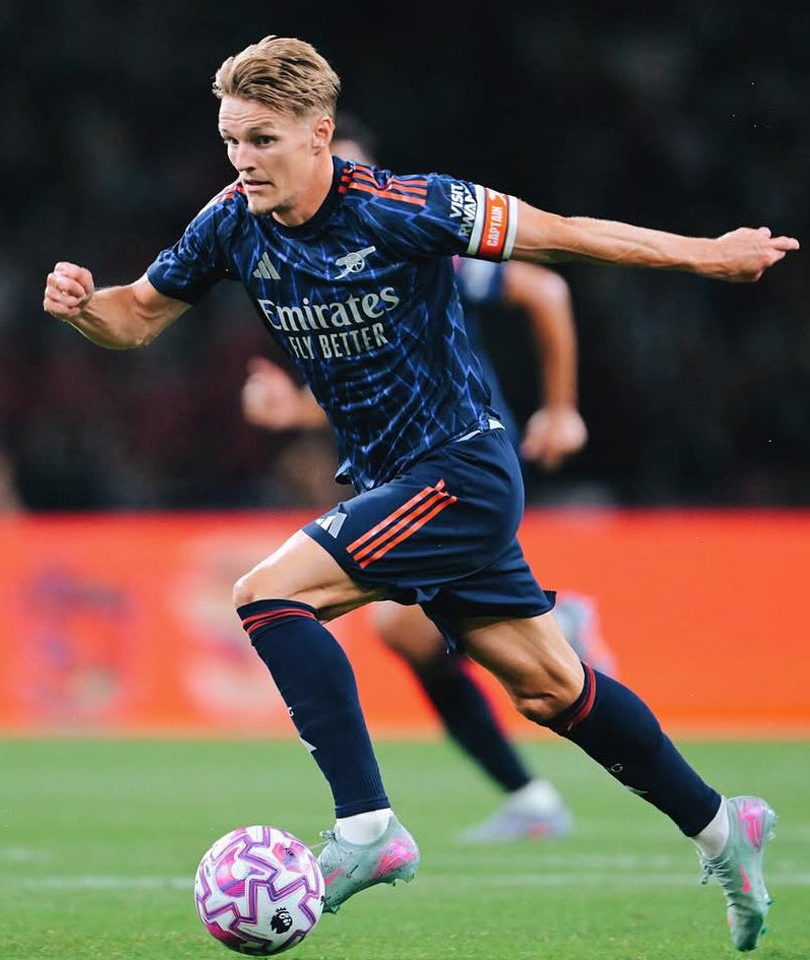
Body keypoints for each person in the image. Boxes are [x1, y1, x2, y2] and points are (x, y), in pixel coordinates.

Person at [43, 36, 797, 950]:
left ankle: (367, 829)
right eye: (232, 139)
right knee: (550, 689)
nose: (243, 159)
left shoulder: (405, 207)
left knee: (269, 595)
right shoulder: (231, 221)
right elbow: (135, 317)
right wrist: (85, 306)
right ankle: (722, 828)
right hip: (397, 480)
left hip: (460, 470)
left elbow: (563, 235)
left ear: (320, 134)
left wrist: (708, 256)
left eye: (263, 139)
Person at [239, 115, 609, 843]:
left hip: (463, 456)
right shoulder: (304, 263)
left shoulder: (407, 234)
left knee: (394, 623)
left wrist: (563, 408)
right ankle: (533, 793)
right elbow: (372, 388)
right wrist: (294, 410)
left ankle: (551, 644)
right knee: (412, 637)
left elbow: (546, 290)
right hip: (405, 469)